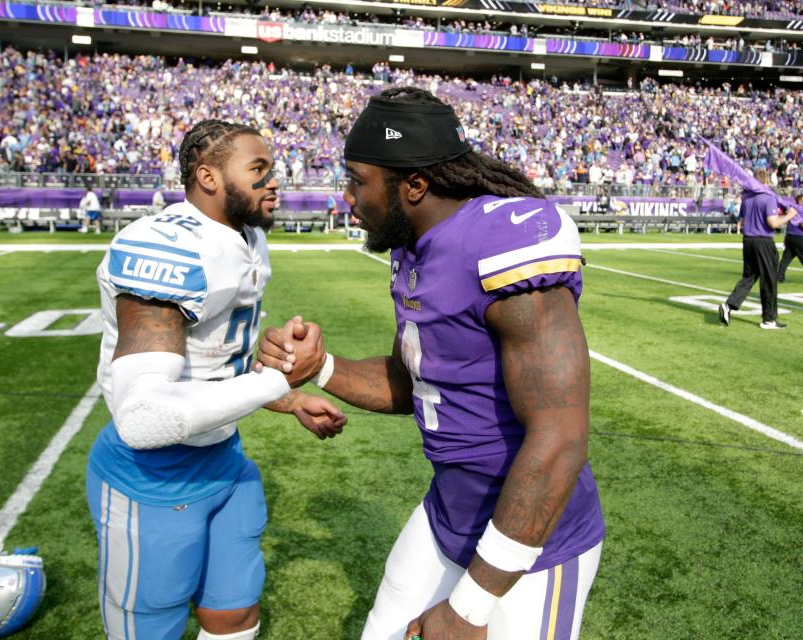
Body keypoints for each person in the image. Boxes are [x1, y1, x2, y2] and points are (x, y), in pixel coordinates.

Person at [256, 88, 604, 640]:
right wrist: (318, 367)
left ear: (413, 185)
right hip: (448, 511)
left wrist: (470, 607)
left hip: (533, 545)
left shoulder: (501, 241)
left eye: (357, 180)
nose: (347, 197)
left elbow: (560, 436)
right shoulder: (412, 243)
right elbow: (413, 380)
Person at [85, 119, 347, 640]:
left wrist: (290, 398)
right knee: (150, 628)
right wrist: (277, 380)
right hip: (153, 477)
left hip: (225, 460)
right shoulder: (167, 245)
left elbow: (213, 366)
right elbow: (143, 417)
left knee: (233, 615)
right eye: (259, 170)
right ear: (207, 176)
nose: (275, 182)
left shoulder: (245, 237)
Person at [719, 169, 798, 329]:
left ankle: (729, 305)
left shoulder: (747, 198)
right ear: (766, 182)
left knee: (749, 276)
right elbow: (773, 223)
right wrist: (790, 216)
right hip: (763, 241)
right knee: (769, 279)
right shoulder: (768, 197)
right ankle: (769, 319)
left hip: (748, 240)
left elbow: (740, 221)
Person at [778, 192, 803, 283]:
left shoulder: (792, 208)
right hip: (799, 237)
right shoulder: (801, 209)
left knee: (786, 259)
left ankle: (779, 276)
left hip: (790, 236)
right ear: (800, 201)